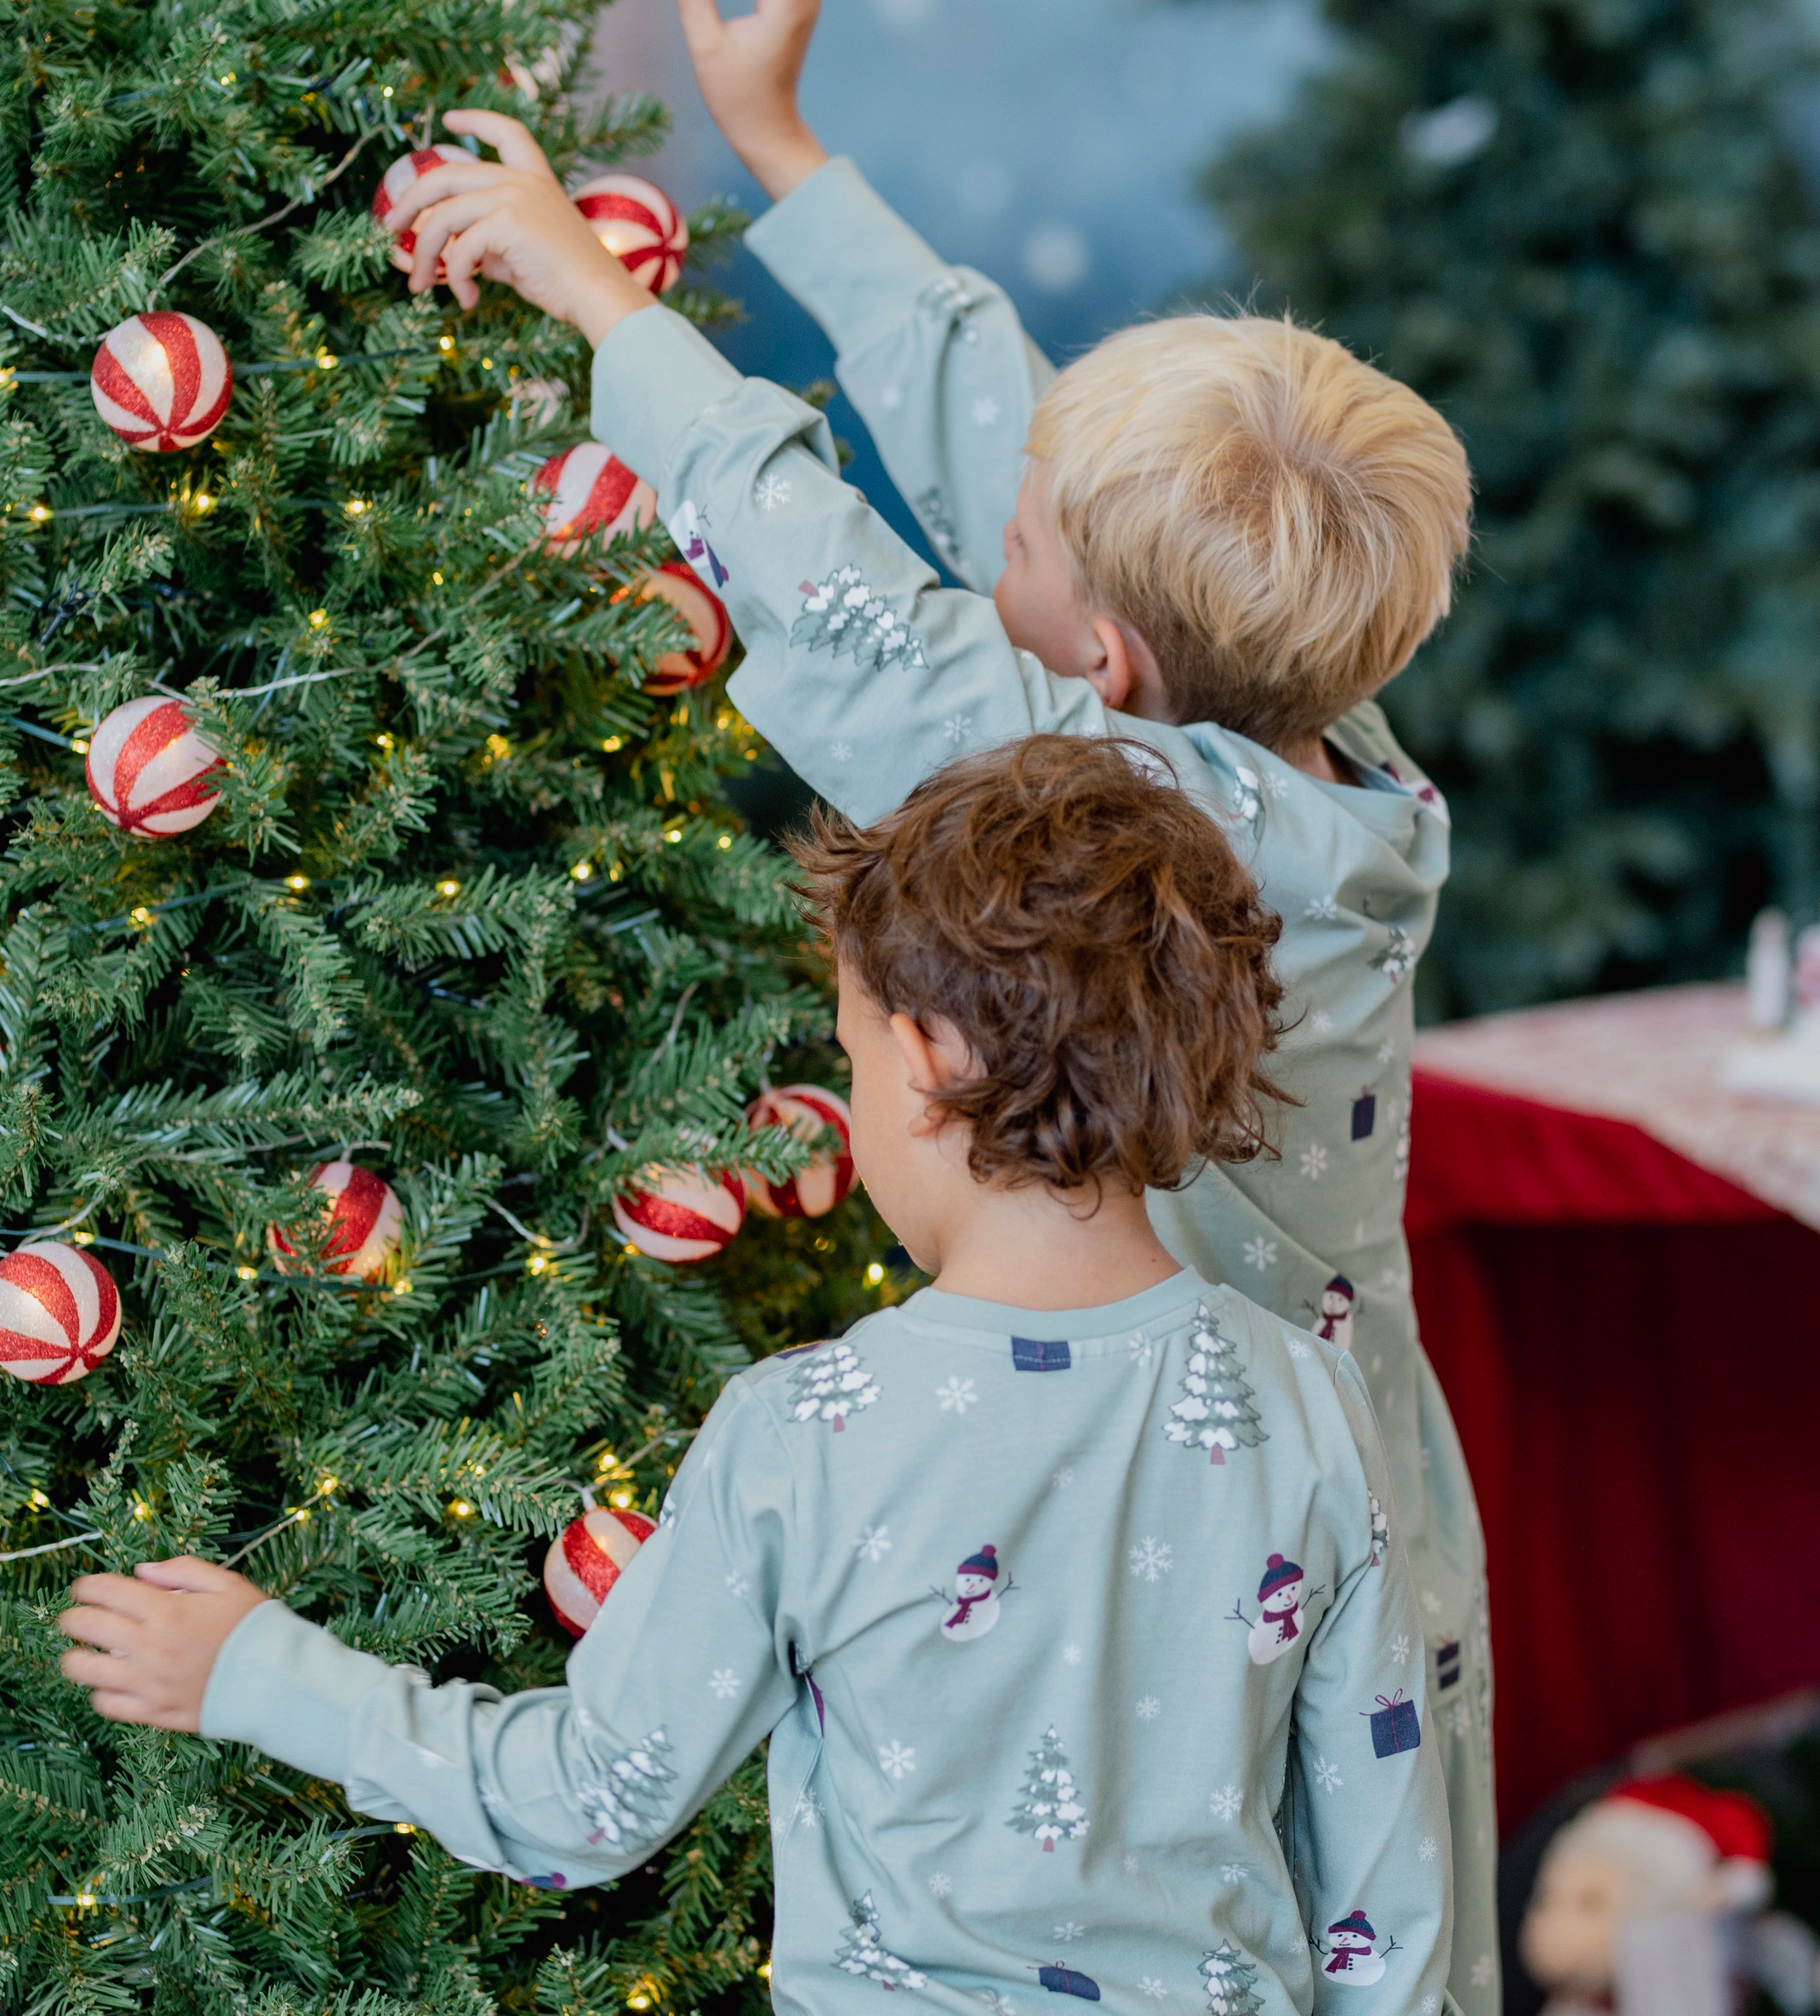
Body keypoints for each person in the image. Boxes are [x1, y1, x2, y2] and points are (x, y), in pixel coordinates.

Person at [368, 14, 1498, 2002]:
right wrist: (780, 150)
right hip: (1350, 1496)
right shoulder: (1323, 764)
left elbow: (830, 594)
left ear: (1108, 664)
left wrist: (586, 282)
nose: (998, 522)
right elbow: (1029, 439)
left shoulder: (1137, 815)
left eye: (1024, 545)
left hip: (1168, 1494)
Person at [58, 737, 1454, 2016]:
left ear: (918, 1065)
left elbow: (589, 1802)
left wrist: (260, 1673)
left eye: (846, 1054)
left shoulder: (810, 1435)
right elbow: (1381, 1921)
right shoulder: (1307, 1405)